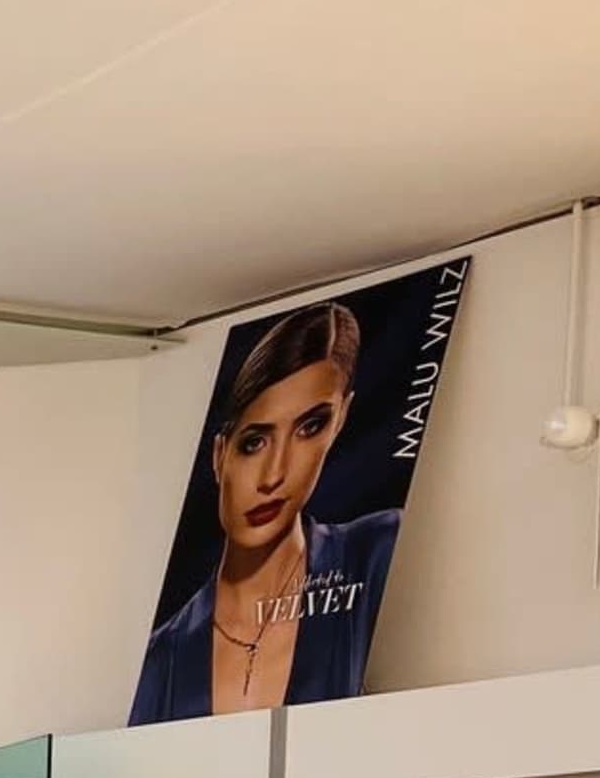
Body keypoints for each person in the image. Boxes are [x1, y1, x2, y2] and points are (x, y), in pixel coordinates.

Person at [132, 300, 399, 722]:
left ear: (341, 419)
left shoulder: (377, 556)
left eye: (310, 427)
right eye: (254, 442)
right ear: (220, 455)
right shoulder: (158, 661)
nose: (274, 475)